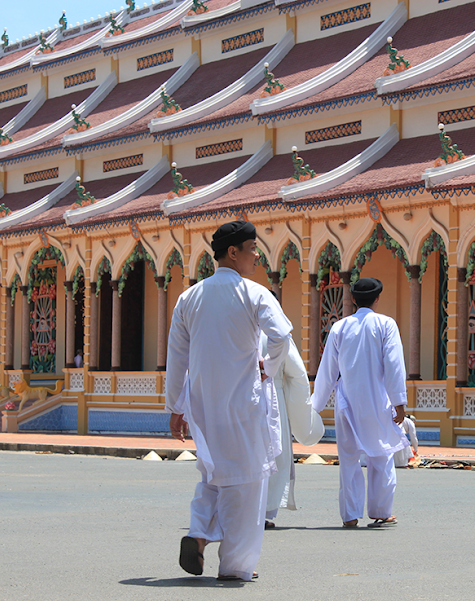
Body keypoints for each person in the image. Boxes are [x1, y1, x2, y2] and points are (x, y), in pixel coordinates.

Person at [165, 220, 292, 581]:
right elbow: (281, 336)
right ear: (233, 252)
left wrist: (175, 407)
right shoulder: (254, 293)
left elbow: (177, 357)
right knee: (247, 483)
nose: (257, 256)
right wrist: (269, 366)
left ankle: (199, 533)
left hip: (203, 406)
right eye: (252, 249)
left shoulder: (188, 297)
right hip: (244, 404)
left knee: (212, 473)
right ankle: (236, 565)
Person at [311, 278, 407, 529]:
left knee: (349, 457)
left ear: (353, 299)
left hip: (346, 400)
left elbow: (327, 371)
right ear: (377, 299)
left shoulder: (339, 328)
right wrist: (399, 402)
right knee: (382, 453)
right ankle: (381, 511)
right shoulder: (386, 324)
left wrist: (315, 407)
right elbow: (394, 365)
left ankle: (350, 515)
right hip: (377, 399)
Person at [261, 303, 314, 529]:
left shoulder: (237, 327)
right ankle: (262, 511)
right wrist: (303, 413)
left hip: (238, 397)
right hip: (273, 396)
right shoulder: (278, 333)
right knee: (272, 452)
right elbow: (298, 374)